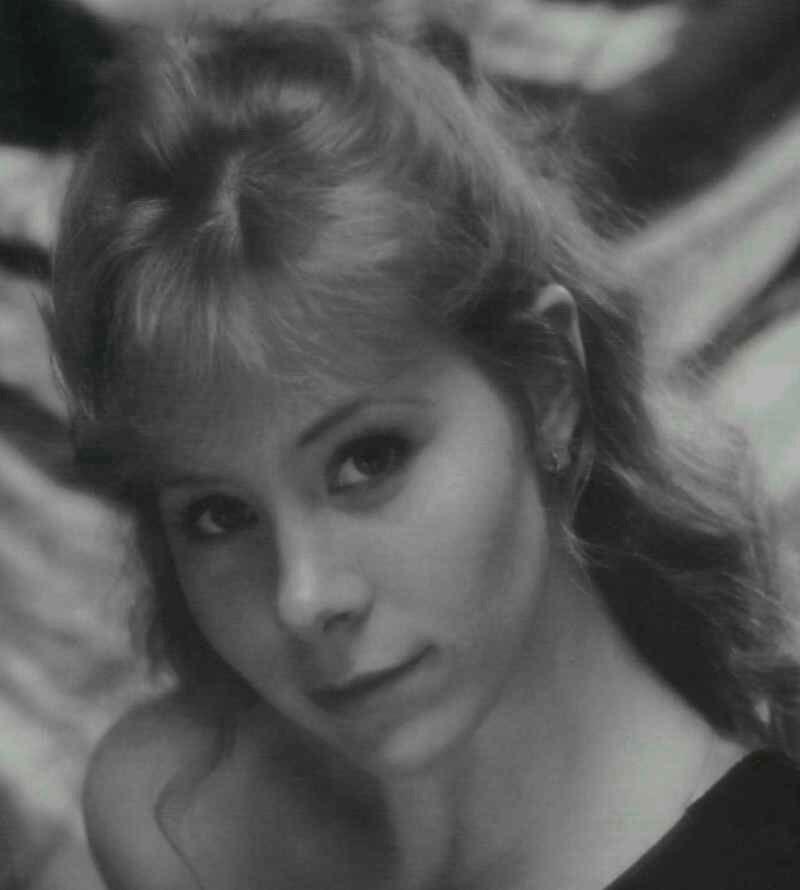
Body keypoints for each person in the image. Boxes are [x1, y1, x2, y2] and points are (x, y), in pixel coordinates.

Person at [50, 10, 800, 890]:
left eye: (368, 460)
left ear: (549, 385)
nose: (303, 597)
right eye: (219, 514)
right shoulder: (176, 813)